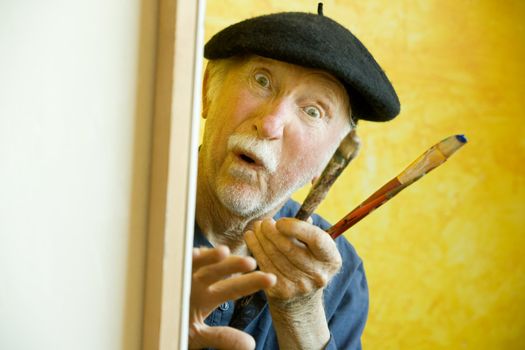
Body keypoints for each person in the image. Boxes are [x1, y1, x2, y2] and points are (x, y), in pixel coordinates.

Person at [189, 4, 400, 350]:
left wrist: (300, 315)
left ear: (331, 161)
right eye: (262, 80)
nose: (270, 124)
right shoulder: (118, 208)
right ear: (208, 89)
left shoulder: (341, 276)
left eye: (312, 110)